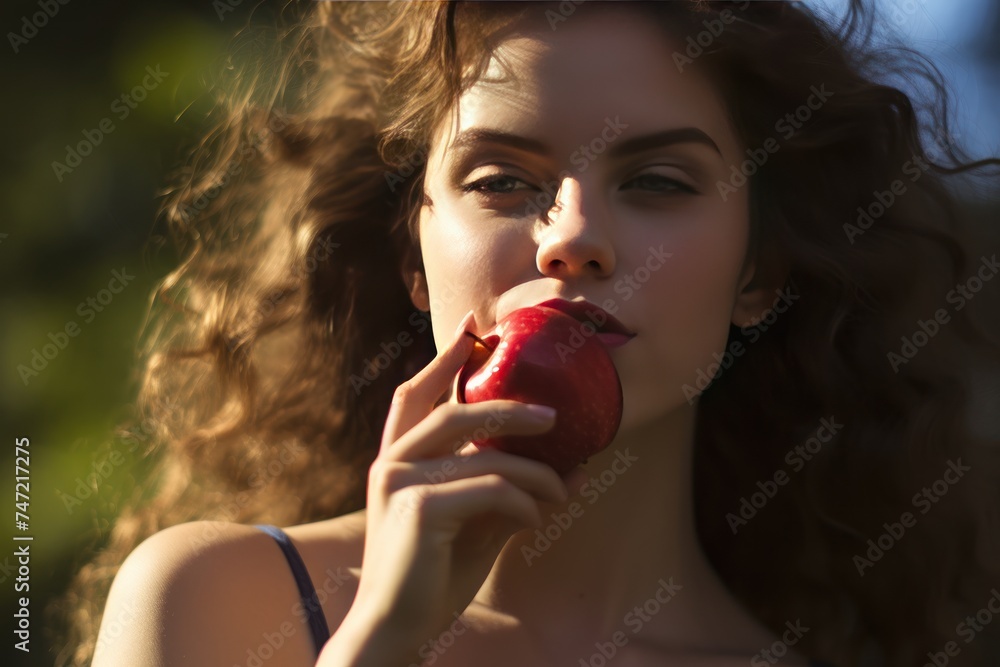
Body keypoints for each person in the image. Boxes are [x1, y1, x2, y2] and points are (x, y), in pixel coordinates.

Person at [57, 1, 1000, 666]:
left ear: (760, 273)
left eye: (659, 182)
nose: (575, 237)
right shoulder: (213, 600)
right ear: (411, 260)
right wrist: (382, 645)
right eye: (502, 181)